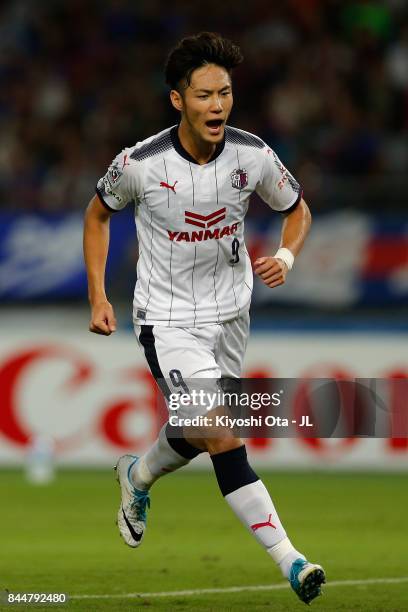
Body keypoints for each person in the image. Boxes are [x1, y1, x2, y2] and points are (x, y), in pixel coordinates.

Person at [83, 32, 325, 605]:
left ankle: (137, 477)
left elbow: (298, 209)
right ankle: (292, 562)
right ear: (177, 100)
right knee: (221, 429)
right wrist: (98, 295)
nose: (217, 106)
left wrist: (286, 256)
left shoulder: (253, 155)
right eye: (204, 95)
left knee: (199, 433)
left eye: (226, 93)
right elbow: (97, 216)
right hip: (167, 321)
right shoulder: (139, 164)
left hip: (232, 316)